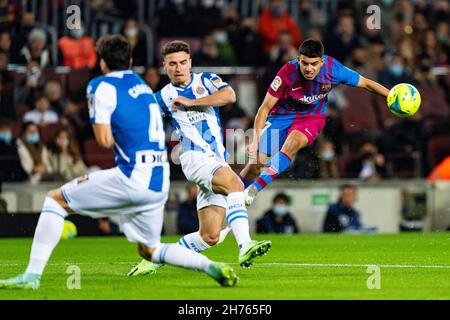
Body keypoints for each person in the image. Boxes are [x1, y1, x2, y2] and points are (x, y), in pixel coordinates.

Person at [0, 35, 238, 290]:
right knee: (150, 249)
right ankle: (211, 267)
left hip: (132, 175)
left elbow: (103, 140)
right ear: (131, 61)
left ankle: (31, 276)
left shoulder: (100, 86)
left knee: (55, 200)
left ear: (102, 63)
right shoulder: (142, 87)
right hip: (158, 182)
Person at [128, 40, 271, 277]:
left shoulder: (206, 80)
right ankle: (245, 245)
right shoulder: (162, 97)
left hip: (216, 160)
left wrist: (192, 102)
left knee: (210, 236)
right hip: (194, 158)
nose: (178, 68)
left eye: (183, 63)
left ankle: (156, 257)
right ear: (165, 66)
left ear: (190, 63)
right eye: (172, 64)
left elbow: (230, 95)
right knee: (235, 184)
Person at [239, 39, 391, 206]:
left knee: (292, 144)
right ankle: (233, 197)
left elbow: (366, 83)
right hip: (281, 116)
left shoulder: (334, 69)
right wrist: (254, 141)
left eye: (313, 64)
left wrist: (391, 95)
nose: (309, 69)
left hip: (311, 118)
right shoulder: (287, 72)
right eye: (305, 63)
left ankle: (255, 189)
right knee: (255, 165)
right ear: (298, 60)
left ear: (321, 61)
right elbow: (264, 108)